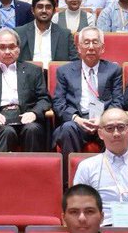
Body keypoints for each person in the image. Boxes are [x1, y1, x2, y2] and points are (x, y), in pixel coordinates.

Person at [0, 29, 52, 152]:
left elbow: (44, 99)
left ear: (18, 48)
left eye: (11, 47)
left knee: (32, 130)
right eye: (2, 47)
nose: (7, 51)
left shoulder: (33, 71)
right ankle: (1, 170)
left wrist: (34, 113)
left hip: (26, 117)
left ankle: (33, 170)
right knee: (7, 131)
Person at [52, 27, 124, 155]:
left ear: (102, 48)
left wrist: (102, 120)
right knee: (68, 128)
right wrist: (77, 119)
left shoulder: (114, 70)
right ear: (79, 48)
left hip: (104, 121)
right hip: (76, 121)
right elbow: (58, 103)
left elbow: (118, 100)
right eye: (86, 42)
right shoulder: (65, 71)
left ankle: (108, 173)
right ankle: (71, 174)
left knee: (114, 130)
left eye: (95, 42)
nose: (91, 47)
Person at [17, 0, 76, 67]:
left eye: (48, 7)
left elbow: (75, 61)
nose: (44, 11)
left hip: (55, 76)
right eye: (40, 7)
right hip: (28, 77)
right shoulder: (19, 33)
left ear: (54, 11)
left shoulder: (65, 35)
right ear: (32, 10)